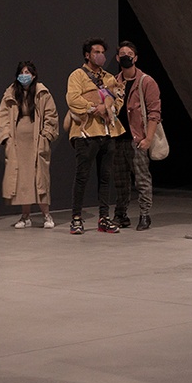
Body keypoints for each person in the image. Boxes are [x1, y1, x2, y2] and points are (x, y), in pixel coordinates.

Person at [63, 39, 120, 236]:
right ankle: (76, 218)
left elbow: (118, 98)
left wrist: (111, 106)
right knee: (82, 177)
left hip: (108, 131)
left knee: (105, 177)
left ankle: (104, 217)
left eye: (103, 52)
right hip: (85, 133)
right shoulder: (77, 76)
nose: (100, 55)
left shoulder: (109, 78)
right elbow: (73, 100)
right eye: (96, 51)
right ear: (87, 55)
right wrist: (95, 108)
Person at [0, 60, 59, 228]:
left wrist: (45, 136)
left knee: (39, 178)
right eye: (22, 72)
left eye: (28, 72)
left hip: (36, 142)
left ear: (33, 75)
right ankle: (25, 216)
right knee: (22, 180)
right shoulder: (10, 93)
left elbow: (51, 115)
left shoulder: (42, 93)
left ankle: (47, 215)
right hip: (17, 143)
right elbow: (3, 116)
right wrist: (6, 137)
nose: (24, 76)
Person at [115, 43, 161, 232]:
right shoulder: (113, 81)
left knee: (142, 179)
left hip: (137, 138)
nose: (126, 57)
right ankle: (121, 214)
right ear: (117, 58)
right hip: (118, 138)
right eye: (122, 54)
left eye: (130, 54)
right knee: (120, 180)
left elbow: (154, 113)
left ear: (136, 58)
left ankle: (144, 214)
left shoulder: (146, 82)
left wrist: (148, 139)